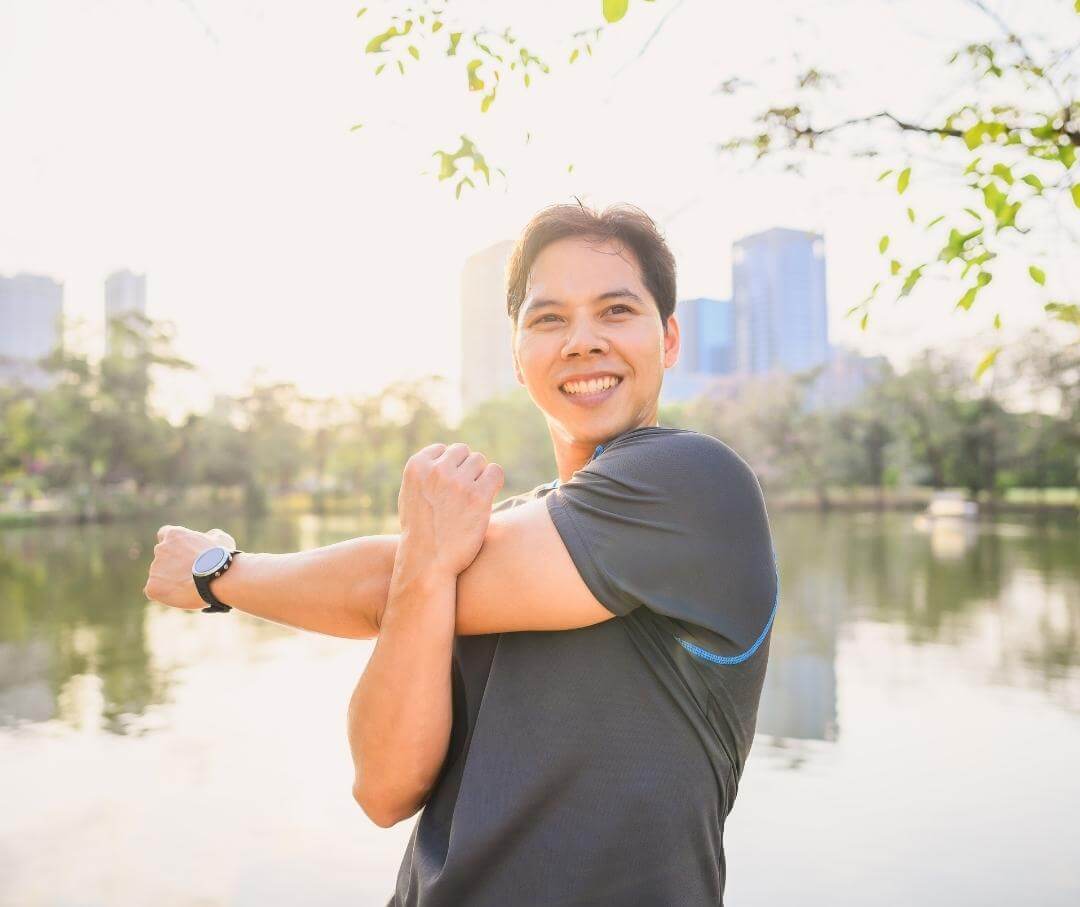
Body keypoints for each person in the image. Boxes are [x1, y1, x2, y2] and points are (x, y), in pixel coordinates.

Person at [144, 201, 779, 906]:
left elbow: (373, 587)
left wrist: (220, 574)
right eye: (548, 319)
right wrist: (426, 560)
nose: (582, 340)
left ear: (668, 339)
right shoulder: (468, 545)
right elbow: (384, 788)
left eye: (616, 311)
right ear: (515, 354)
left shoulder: (693, 481)